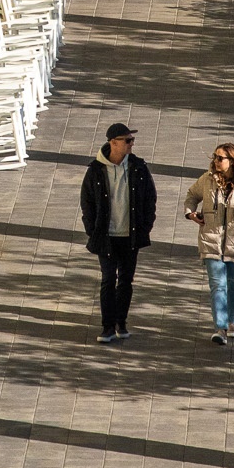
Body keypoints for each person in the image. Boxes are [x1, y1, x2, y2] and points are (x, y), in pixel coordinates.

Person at [80, 123, 158, 343]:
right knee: (107, 279)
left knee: (126, 280)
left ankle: (121, 323)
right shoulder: (96, 170)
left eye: (132, 140)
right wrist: (92, 229)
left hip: (130, 235)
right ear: (113, 143)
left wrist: (146, 225)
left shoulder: (138, 167)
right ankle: (107, 326)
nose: (131, 144)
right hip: (106, 236)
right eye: (127, 140)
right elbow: (87, 202)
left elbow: (150, 199)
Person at [184, 143, 234, 345]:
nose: (216, 161)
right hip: (211, 241)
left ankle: (232, 322)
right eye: (215, 157)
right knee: (217, 285)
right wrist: (191, 214)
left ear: (232, 161)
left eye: (220, 158)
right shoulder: (207, 179)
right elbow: (191, 196)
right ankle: (220, 328)